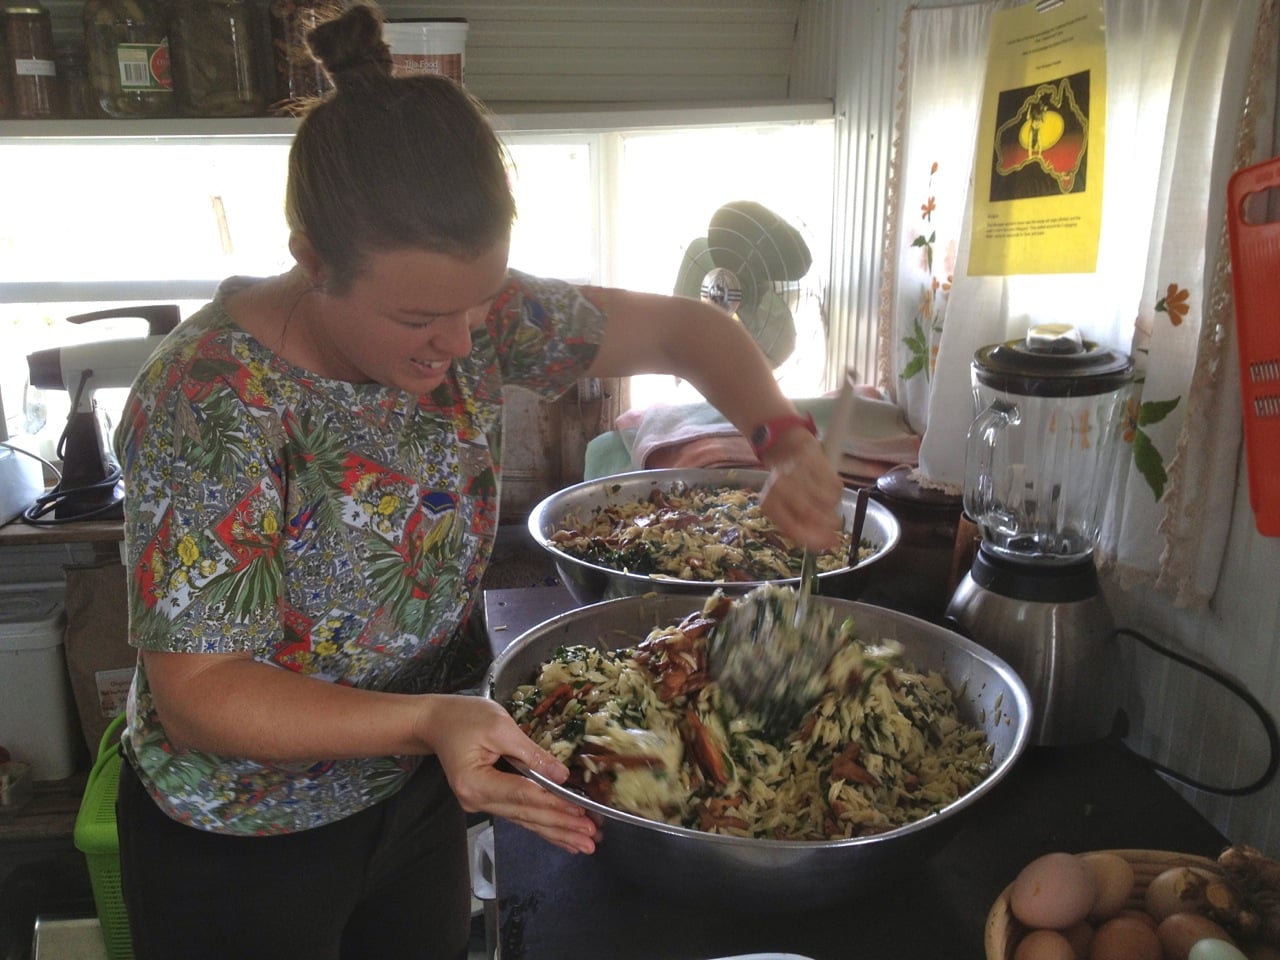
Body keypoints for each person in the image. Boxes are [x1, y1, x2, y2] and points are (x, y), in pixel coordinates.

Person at [111, 5, 844, 959]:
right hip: (242, 839)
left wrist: (784, 440)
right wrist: (431, 719)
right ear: (312, 260)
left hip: (421, 786)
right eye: (421, 316)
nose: (460, 345)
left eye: (478, 303)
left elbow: (686, 331)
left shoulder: (469, 315)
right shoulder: (210, 400)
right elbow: (199, 688)